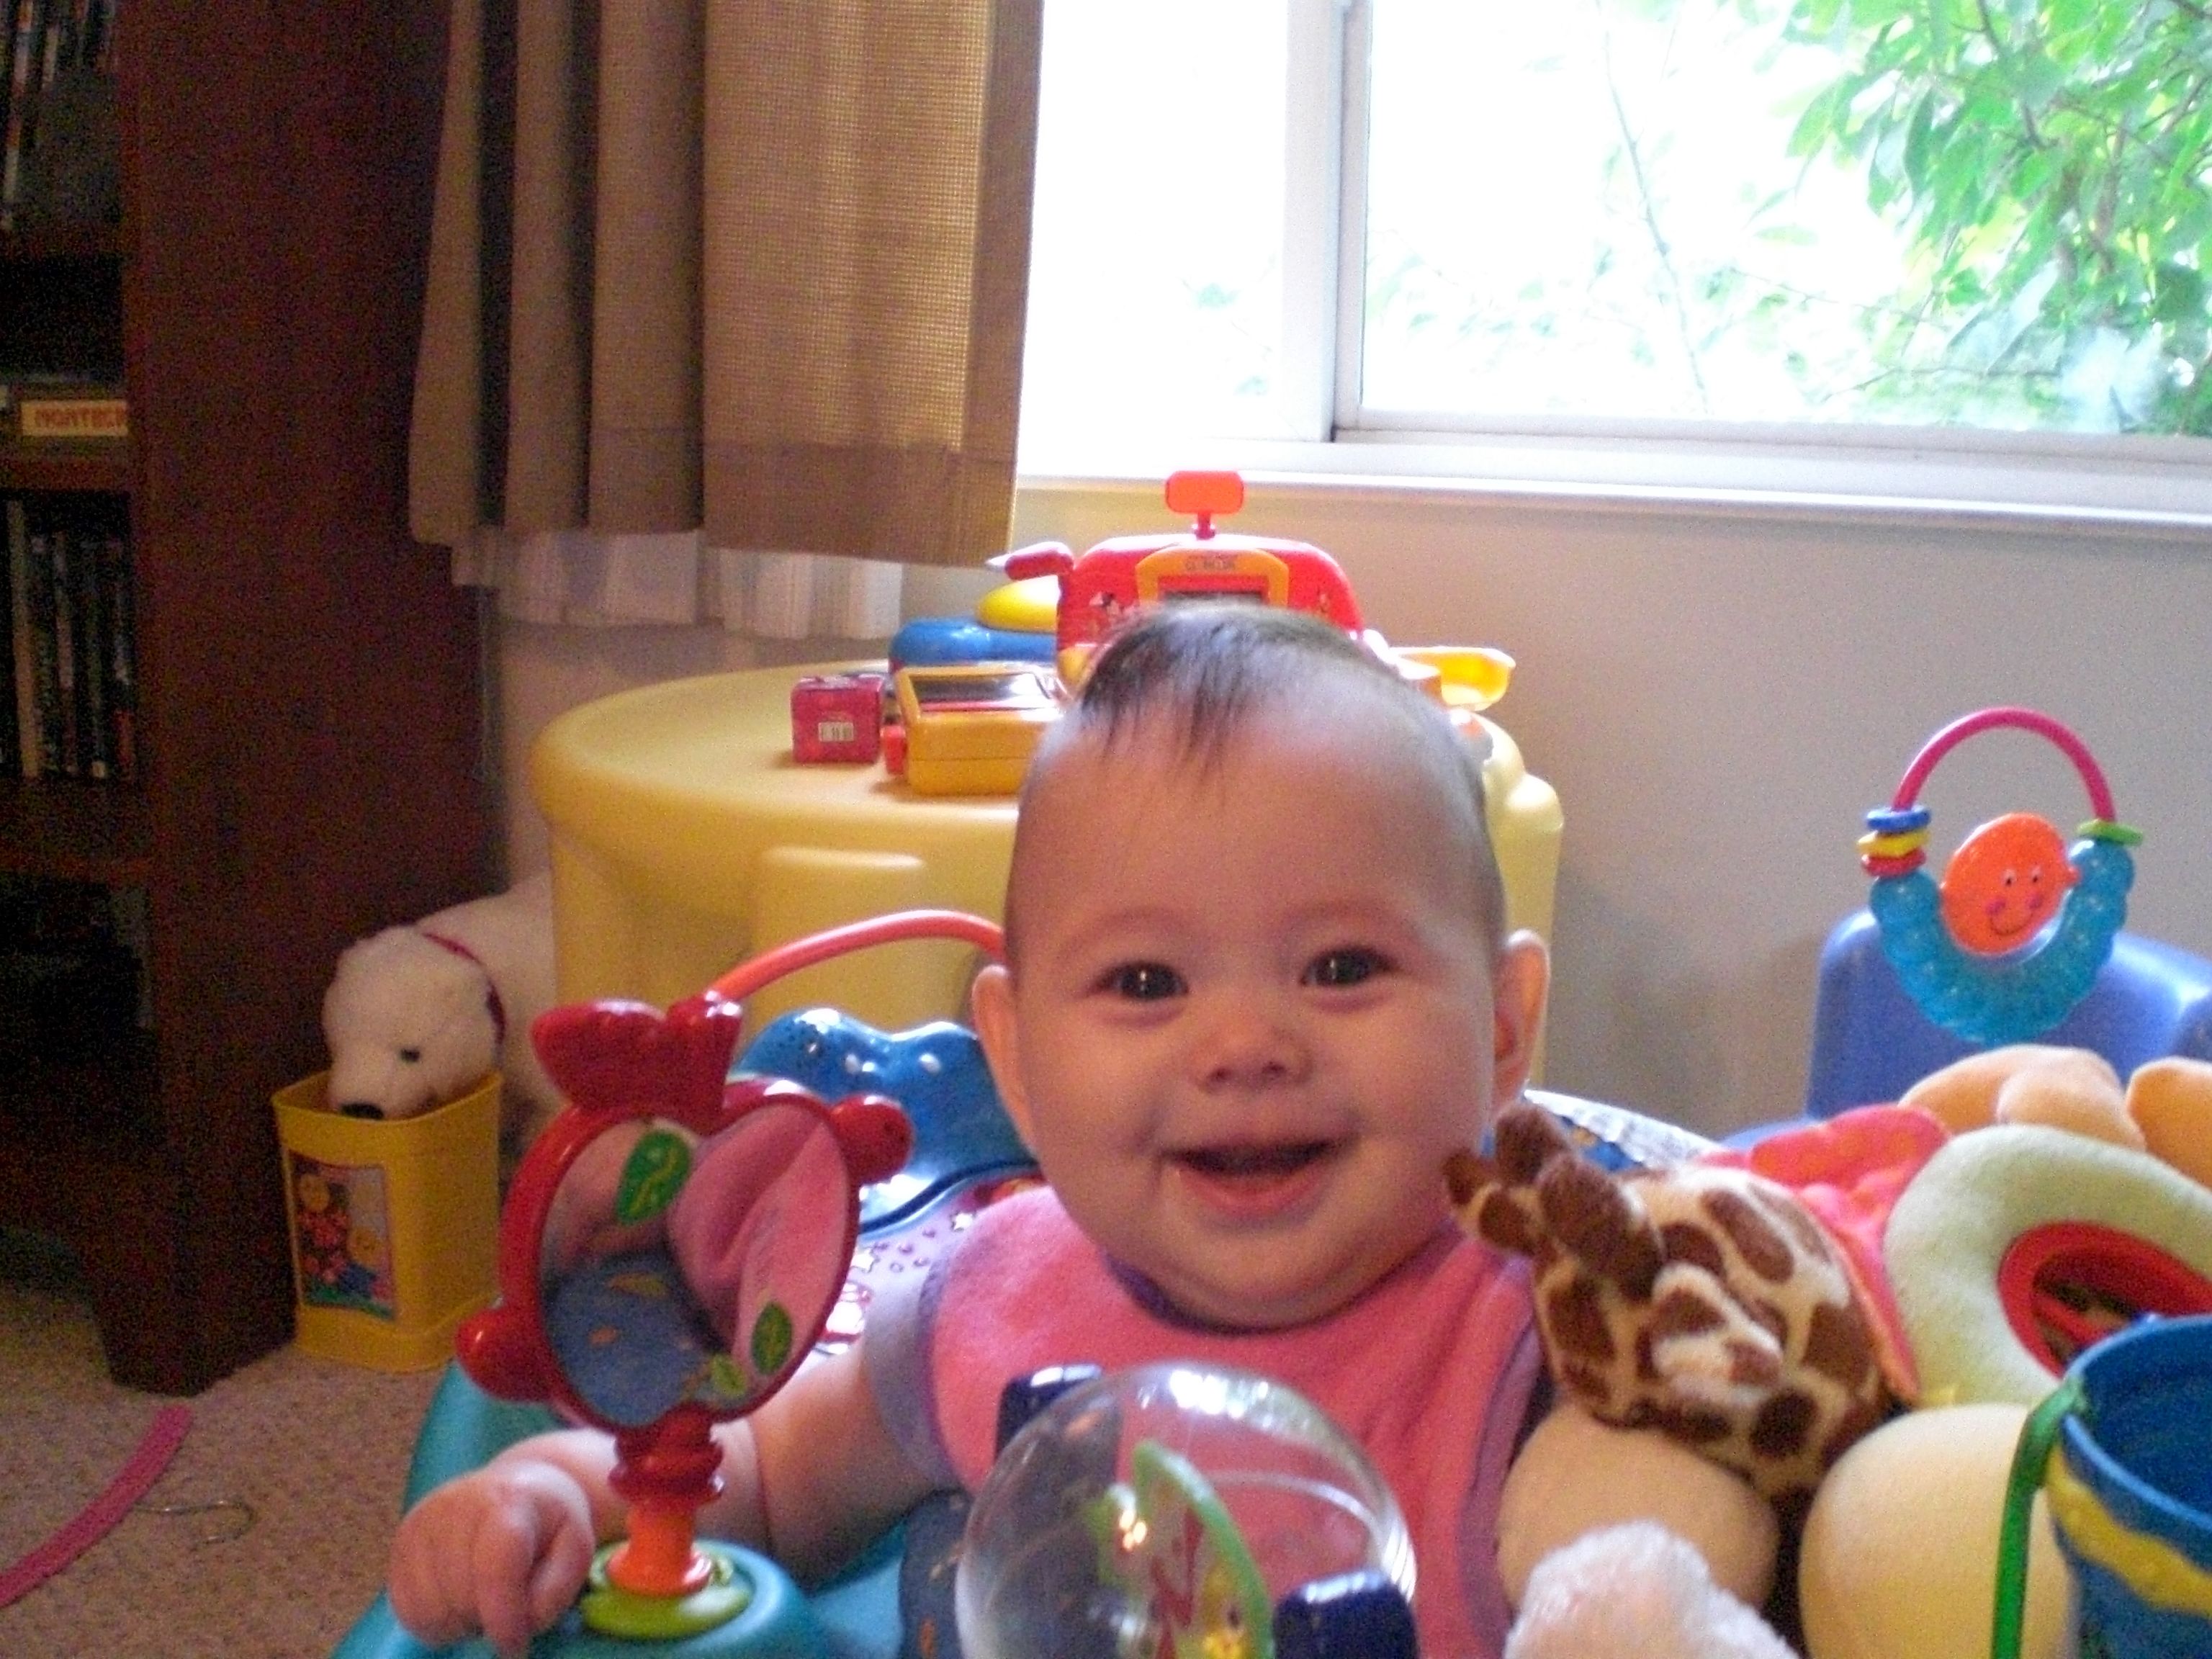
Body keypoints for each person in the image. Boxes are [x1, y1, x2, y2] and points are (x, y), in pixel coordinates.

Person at [387, 604, 1771, 1658]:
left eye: (1343, 967)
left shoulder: (1555, 1336)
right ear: (1018, 1064)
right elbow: (757, 1479)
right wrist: (557, 1494)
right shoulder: (989, 1299)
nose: (1245, 1044)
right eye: (1147, 982)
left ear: (1505, 1028)